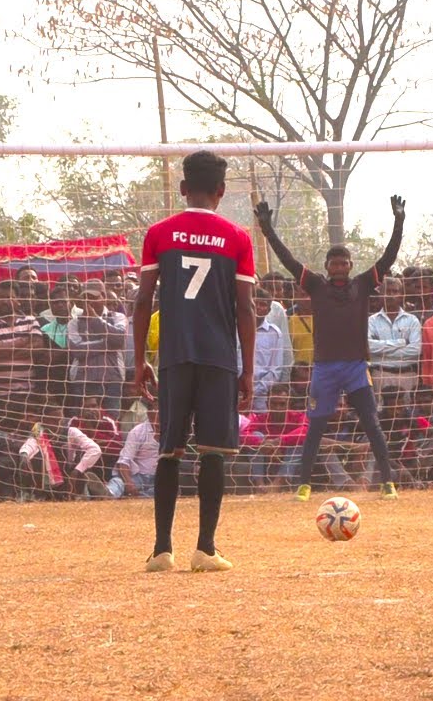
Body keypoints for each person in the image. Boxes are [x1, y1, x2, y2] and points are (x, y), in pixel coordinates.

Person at [133, 151, 257, 573]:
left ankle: (161, 550)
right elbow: (245, 309)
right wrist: (249, 370)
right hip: (218, 357)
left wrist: (139, 360)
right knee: (213, 451)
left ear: (183, 188)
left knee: (169, 451)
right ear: (221, 191)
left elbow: (143, 299)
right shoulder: (238, 237)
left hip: (174, 355)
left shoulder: (159, 233)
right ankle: (205, 548)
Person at [257, 193, 405, 504]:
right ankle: (304, 485)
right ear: (326, 266)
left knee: (371, 423)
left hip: (354, 367)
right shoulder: (316, 285)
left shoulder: (364, 284)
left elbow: (389, 258)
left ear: (351, 265)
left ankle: (387, 482)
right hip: (324, 369)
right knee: (316, 428)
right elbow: (288, 260)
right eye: (334, 263)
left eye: (344, 262)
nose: (339, 266)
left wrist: (398, 221)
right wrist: (268, 231)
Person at [68, 286, 128, 415]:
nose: (89, 301)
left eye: (93, 297)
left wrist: (95, 319)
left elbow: (119, 339)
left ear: (103, 297)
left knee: (111, 423)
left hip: (112, 379)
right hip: (83, 380)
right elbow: (77, 350)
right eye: (86, 297)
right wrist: (108, 344)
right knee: (83, 423)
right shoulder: (74, 323)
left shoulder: (118, 317)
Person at [367, 277, 422, 400]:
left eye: (395, 291)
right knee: (381, 414)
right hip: (381, 375)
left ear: (401, 295)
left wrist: (381, 350)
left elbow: (416, 350)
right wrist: (401, 342)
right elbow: (368, 347)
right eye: (387, 291)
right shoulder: (371, 321)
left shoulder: (412, 320)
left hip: (407, 375)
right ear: (380, 294)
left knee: (408, 413)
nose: (391, 295)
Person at [248, 287, 288, 412]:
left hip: (261, 397)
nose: (258, 307)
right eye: (254, 303)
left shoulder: (274, 333)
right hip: (235, 394)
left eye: (263, 304)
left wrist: (254, 390)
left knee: (259, 429)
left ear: (268, 310)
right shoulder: (233, 329)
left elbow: (275, 370)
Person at [114, 401, 160, 499]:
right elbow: (124, 461)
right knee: (118, 482)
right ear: (149, 413)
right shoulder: (137, 431)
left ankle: (137, 498)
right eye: (156, 410)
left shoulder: (172, 430)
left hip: (160, 478)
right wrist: (129, 482)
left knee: (167, 488)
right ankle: (108, 493)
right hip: (139, 477)